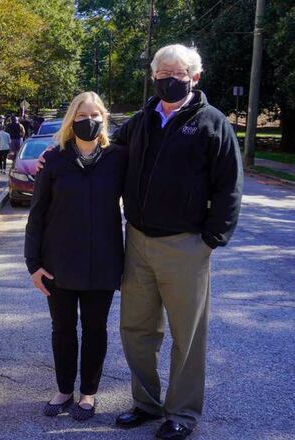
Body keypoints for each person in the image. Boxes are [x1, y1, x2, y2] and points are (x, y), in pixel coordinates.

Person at [112, 44, 242, 440]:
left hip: (186, 245)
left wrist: (211, 239)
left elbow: (229, 187)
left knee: (188, 334)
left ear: (194, 77)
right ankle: (146, 404)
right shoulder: (139, 122)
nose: (168, 81)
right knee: (136, 328)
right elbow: (106, 158)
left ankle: (182, 412)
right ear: (153, 77)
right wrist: (60, 157)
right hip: (137, 240)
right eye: (161, 74)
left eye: (178, 74)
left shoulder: (213, 123)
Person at [25, 91, 127, 422]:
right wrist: (34, 264)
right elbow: (37, 214)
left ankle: (89, 394)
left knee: (96, 329)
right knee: (63, 329)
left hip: (103, 263)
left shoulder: (118, 159)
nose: (89, 121)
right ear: (72, 120)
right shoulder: (53, 159)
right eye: (82, 116)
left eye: (95, 114)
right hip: (59, 264)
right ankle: (64, 390)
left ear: (105, 119)